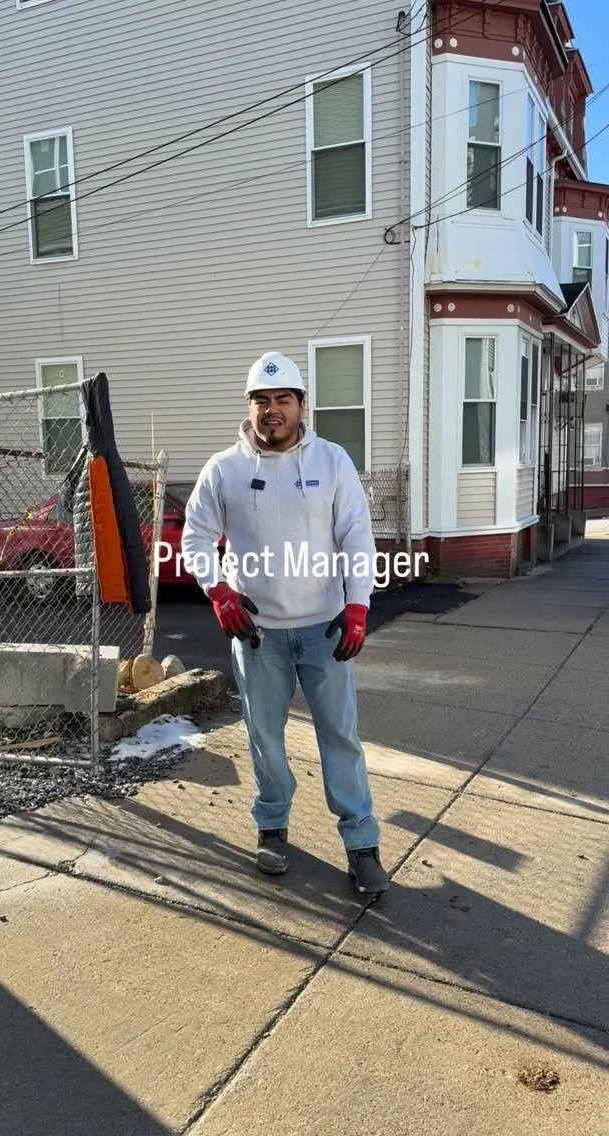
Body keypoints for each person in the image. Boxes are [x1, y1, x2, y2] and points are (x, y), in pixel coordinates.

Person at [181, 351, 389, 896]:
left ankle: (361, 843)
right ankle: (272, 827)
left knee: (340, 737)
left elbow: (356, 536)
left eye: (282, 400)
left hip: (325, 630)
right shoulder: (224, 469)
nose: (272, 410)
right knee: (264, 737)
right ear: (249, 407)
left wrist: (358, 605)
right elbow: (195, 537)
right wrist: (218, 590)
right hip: (257, 635)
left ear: (301, 405)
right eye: (261, 401)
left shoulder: (333, 461)